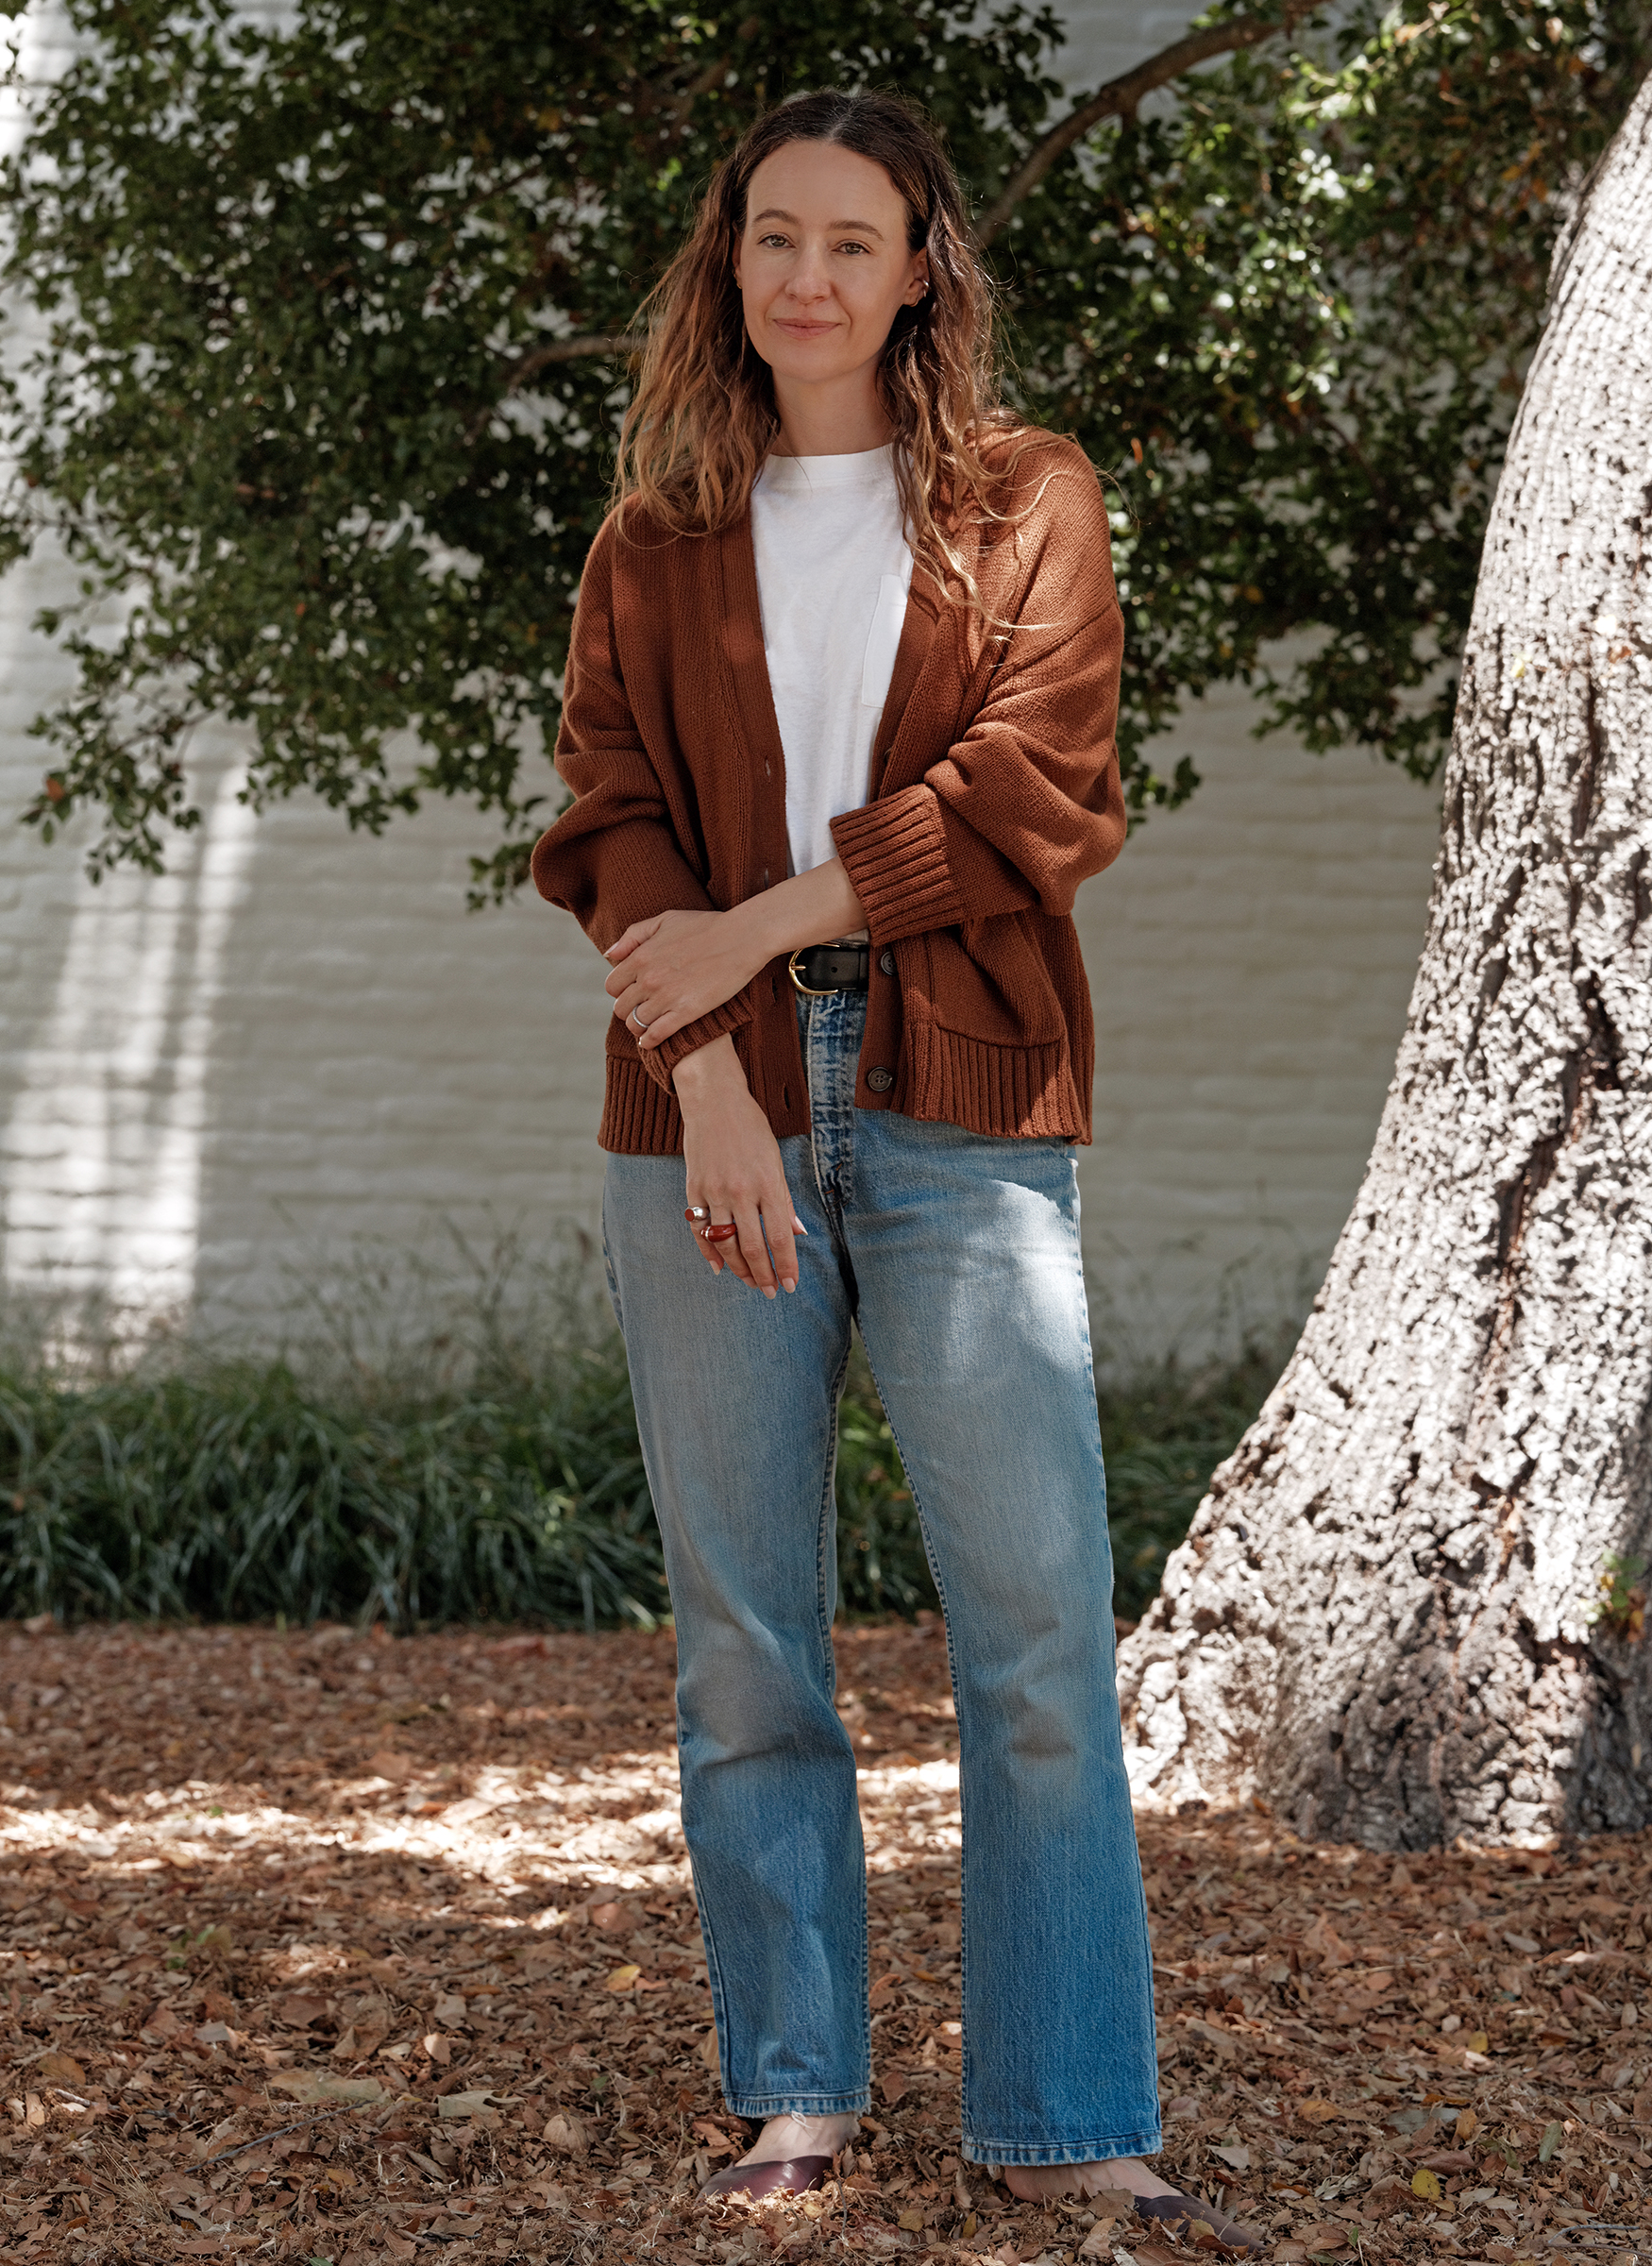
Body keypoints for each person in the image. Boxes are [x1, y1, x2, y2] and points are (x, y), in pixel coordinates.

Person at [531, 89, 1259, 2247]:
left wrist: (762, 933)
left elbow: (1038, 790)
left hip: (961, 1109)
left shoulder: (1026, 500)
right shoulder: (653, 535)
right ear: (727, 262)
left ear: (925, 262)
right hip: (704, 1124)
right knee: (748, 1645)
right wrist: (722, 1082)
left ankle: (1065, 2109)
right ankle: (793, 2091)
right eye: (774, 238)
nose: (809, 279)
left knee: (1033, 1633)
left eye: (854, 241)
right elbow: (606, 818)